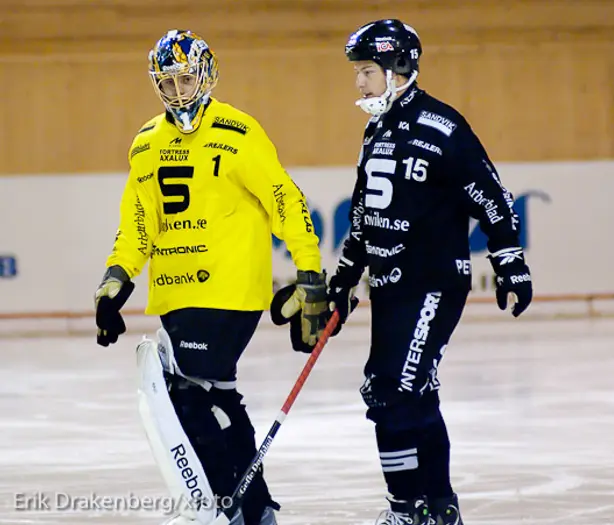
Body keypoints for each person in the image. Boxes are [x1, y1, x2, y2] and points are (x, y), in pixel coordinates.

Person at [93, 29, 328, 525]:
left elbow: (284, 198)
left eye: (186, 79)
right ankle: (255, 507)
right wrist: (114, 283)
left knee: (188, 391)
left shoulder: (238, 131)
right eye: (168, 83)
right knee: (216, 392)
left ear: (208, 72)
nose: (179, 91)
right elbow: (137, 224)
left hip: (228, 288)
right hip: (174, 293)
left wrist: (309, 267)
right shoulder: (144, 144)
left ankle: (223, 503)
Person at [326, 19, 533, 525]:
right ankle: (436, 507)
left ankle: (408, 509)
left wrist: (510, 263)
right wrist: (345, 277)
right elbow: (362, 216)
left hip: (434, 283)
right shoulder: (374, 130)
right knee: (396, 391)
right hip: (391, 289)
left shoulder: (444, 128)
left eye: (368, 71)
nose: (359, 83)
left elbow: (495, 198)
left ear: (400, 69)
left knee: (395, 390)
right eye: (357, 73)